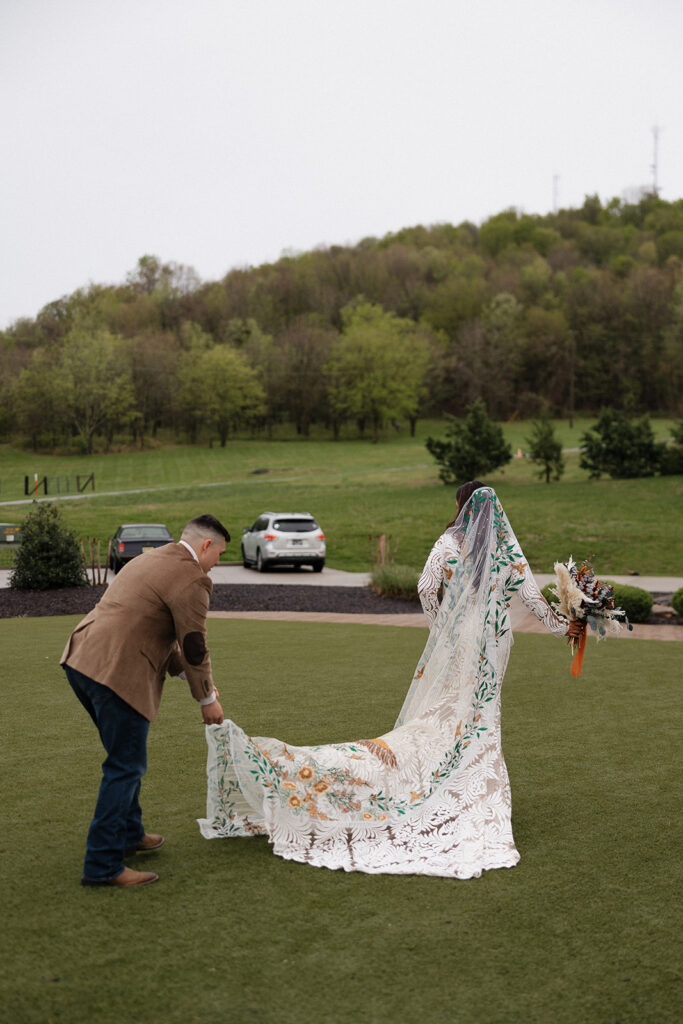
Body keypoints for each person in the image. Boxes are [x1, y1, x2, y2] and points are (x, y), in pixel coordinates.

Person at [199, 485, 583, 879]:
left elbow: (424, 587)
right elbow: (536, 603)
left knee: (445, 713)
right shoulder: (507, 550)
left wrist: (441, 631)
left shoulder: (450, 542)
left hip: (458, 642)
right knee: (479, 715)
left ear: (461, 507)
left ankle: (446, 775)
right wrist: (569, 629)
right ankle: (464, 782)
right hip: (492, 645)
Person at [62, 514, 229, 888]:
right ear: (205, 545)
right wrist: (206, 701)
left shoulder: (149, 558)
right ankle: (103, 866)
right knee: (125, 765)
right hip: (117, 673)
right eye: (219, 553)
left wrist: (192, 679)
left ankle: (129, 834)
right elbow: (193, 643)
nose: (217, 562)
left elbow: (154, 628)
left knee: (125, 757)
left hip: (81, 661)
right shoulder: (193, 578)